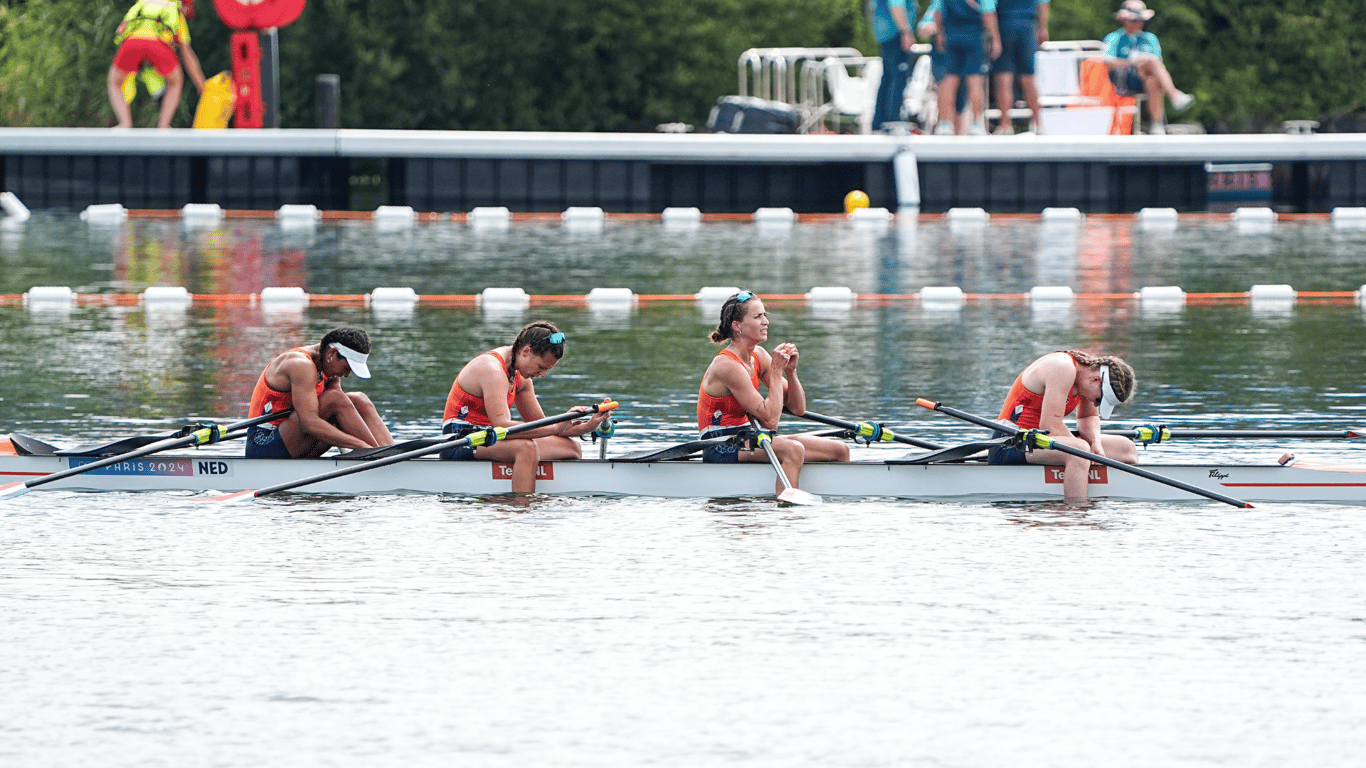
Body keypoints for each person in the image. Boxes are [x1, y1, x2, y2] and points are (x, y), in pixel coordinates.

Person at [697, 290, 850, 496]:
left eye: (765, 315)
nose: (765, 321)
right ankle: (786, 509)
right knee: (793, 450)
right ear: (737, 326)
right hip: (720, 444)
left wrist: (790, 372)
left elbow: (798, 408)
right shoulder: (727, 366)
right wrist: (777, 371)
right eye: (757, 316)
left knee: (840, 450)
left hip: (748, 437)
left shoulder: (758, 355)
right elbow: (770, 421)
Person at [440, 321, 611, 493]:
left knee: (572, 448)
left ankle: (525, 485)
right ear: (526, 351)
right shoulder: (491, 368)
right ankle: (520, 507)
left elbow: (540, 425)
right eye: (541, 367)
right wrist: (555, 427)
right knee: (527, 448)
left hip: (490, 436)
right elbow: (502, 425)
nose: (543, 374)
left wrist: (587, 426)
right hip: (460, 439)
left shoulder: (521, 377)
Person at [987, 350, 1138, 500]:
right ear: (1096, 380)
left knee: (1126, 448)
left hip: (1039, 439)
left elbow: (1088, 416)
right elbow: (1050, 426)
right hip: (1010, 442)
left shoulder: (1086, 377)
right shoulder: (1062, 368)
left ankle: (1091, 485)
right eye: (1099, 400)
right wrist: (1085, 449)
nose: (1095, 403)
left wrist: (1096, 444)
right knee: (1079, 451)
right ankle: (1076, 511)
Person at [246, 326, 394, 459]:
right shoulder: (300, 364)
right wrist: (361, 445)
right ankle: (377, 454)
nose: (347, 375)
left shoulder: (329, 367)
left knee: (358, 399)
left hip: (295, 442)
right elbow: (309, 424)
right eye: (347, 368)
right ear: (332, 353)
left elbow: (343, 412)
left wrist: (356, 445)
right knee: (335, 398)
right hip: (264, 446)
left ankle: (390, 453)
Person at [107, 0, 206, 129]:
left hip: (131, 44)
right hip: (158, 45)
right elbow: (187, 56)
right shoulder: (175, 10)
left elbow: (121, 32)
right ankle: (163, 126)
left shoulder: (142, 3)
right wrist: (201, 85)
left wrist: (135, 61)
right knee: (175, 81)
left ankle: (125, 124)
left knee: (115, 82)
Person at [1103, 0, 1194, 135]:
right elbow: (1108, 62)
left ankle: (1157, 126)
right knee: (1150, 61)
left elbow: (1157, 65)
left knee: (1153, 81)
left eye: (1141, 20)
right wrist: (1132, 62)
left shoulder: (1150, 38)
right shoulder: (1114, 38)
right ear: (1124, 20)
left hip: (1145, 79)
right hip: (1122, 81)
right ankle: (1174, 96)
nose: (1139, 23)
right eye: (1134, 20)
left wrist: (1143, 61)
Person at [932, 0, 1002, 136]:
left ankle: (944, 123)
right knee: (975, 81)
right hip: (974, 37)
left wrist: (940, 33)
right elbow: (988, 14)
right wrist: (995, 38)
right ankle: (976, 123)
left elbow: (937, 11)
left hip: (951, 36)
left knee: (948, 81)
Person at [991, 0, 1049, 134]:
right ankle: (1038, 124)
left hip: (1004, 24)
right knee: (1028, 77)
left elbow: (989, 8)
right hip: (1028, 25)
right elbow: (1043, 3)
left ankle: (1005, 125)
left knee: (1004, 77)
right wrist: (1042, 28)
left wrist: (994, 37)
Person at [871, 0, 917, 132]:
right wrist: (905, 32)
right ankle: (893, 120)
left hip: (886, 34)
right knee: (898, 77)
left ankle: (879, 121)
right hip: (895, 34)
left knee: (888, 77)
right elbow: (896, 5)